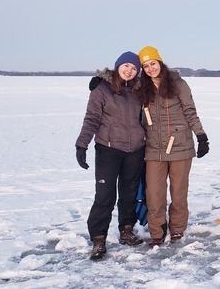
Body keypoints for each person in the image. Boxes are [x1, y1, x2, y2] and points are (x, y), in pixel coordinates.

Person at [75, 51, 146, 260]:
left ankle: (126, 230)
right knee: (105, 195)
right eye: (126, 66)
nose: (129, 70)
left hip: (135, 150)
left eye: (134, 68)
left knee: (129, 193)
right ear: (118, 66)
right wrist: (82, 145)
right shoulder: (102, 89)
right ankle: (98, 239)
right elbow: (91, 119)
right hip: (108, 149)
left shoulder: (139, 90)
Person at [136, 46, 209, 247]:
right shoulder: (141, 86)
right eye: (146, 66)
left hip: (180, 146)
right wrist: (103, 80)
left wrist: (201, 135)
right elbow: (120, 83)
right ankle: (157, 231)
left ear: (160, 62)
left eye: (153, 63)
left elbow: (190, 111)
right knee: (154, 193)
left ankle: (177, 228)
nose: (150, 68)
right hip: (153, 148)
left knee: (178, 191)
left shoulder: (178, 84)